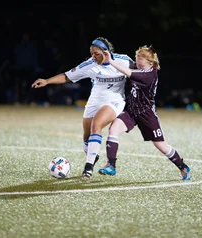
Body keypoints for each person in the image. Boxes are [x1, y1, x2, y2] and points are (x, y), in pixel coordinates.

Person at [32, 37, 134, 179]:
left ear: (106, 52)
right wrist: (47, 81)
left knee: (96, 124)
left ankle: (88, 167)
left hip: (115, 100)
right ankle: (93, 155)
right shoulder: (90, 64)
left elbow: (140, 72)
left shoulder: (124, 61)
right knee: (87, 136)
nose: (93, 57)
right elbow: (67, 76)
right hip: (95, 99)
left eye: (96, 54)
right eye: (92, 54)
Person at [98, 45, 191, 180]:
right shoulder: (138, 66)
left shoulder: (149, 75)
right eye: (136, 57)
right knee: (113, 130)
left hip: (147, 114)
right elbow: (125, 63)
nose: (136, 61)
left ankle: (183, 167)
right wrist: (107, 56)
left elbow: (128, 72)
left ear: (149, 61)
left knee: (161, 146)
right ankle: (111, 165)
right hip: (130, 110)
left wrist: (111, 61)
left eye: (140, 58)